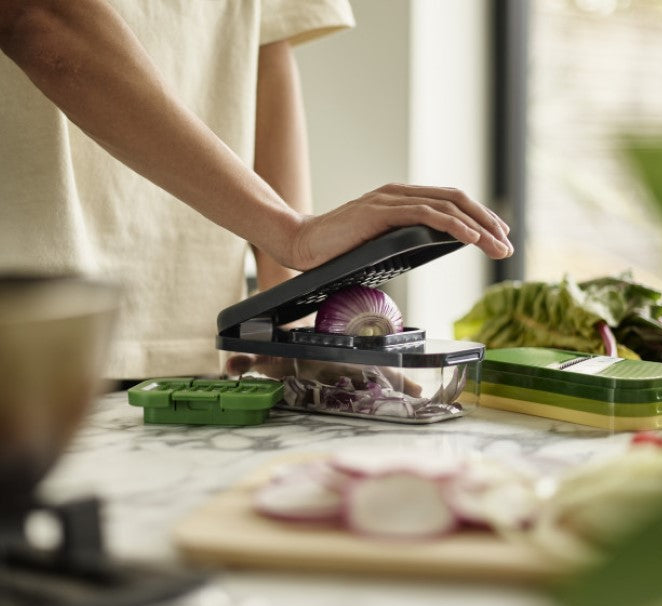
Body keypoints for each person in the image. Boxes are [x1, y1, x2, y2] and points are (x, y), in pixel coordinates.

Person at [0, 0, 513, 381]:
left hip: (189, 332)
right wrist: (291, 231)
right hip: (29, 324)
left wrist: (292, 323)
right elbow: (37, 16)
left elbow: (263, 47)